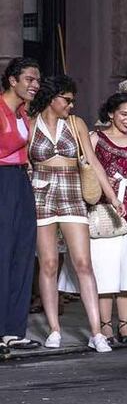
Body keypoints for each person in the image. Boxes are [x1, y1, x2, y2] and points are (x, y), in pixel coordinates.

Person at [29, 75, 123, 354]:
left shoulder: (76, 123)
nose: (72, 104)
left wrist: (112, 195)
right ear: (52, 98)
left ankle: (96, 332)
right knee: (47, 264)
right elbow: (25, 162)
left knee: (83, 263)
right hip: (41, 194)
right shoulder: (32, 124)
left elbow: (93, 162)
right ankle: (54, 329)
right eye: (67, 100)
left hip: (72, 192)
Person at [58, 92, 127, 345]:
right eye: (124, 114)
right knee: (105, 270)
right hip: (105, 213)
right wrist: (101, 186)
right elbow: (85, 169)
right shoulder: (95, 138)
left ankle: (125, 326)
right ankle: (105, 327)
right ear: (111, 113)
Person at [1, 58, 42, 358]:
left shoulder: (24, 113)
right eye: (29, 79)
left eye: (37, 80)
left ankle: (13, 331)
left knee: (23, 253)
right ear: (12, 80)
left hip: (20, 181)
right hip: (1, 181)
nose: (34, 85)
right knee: (2, 254)